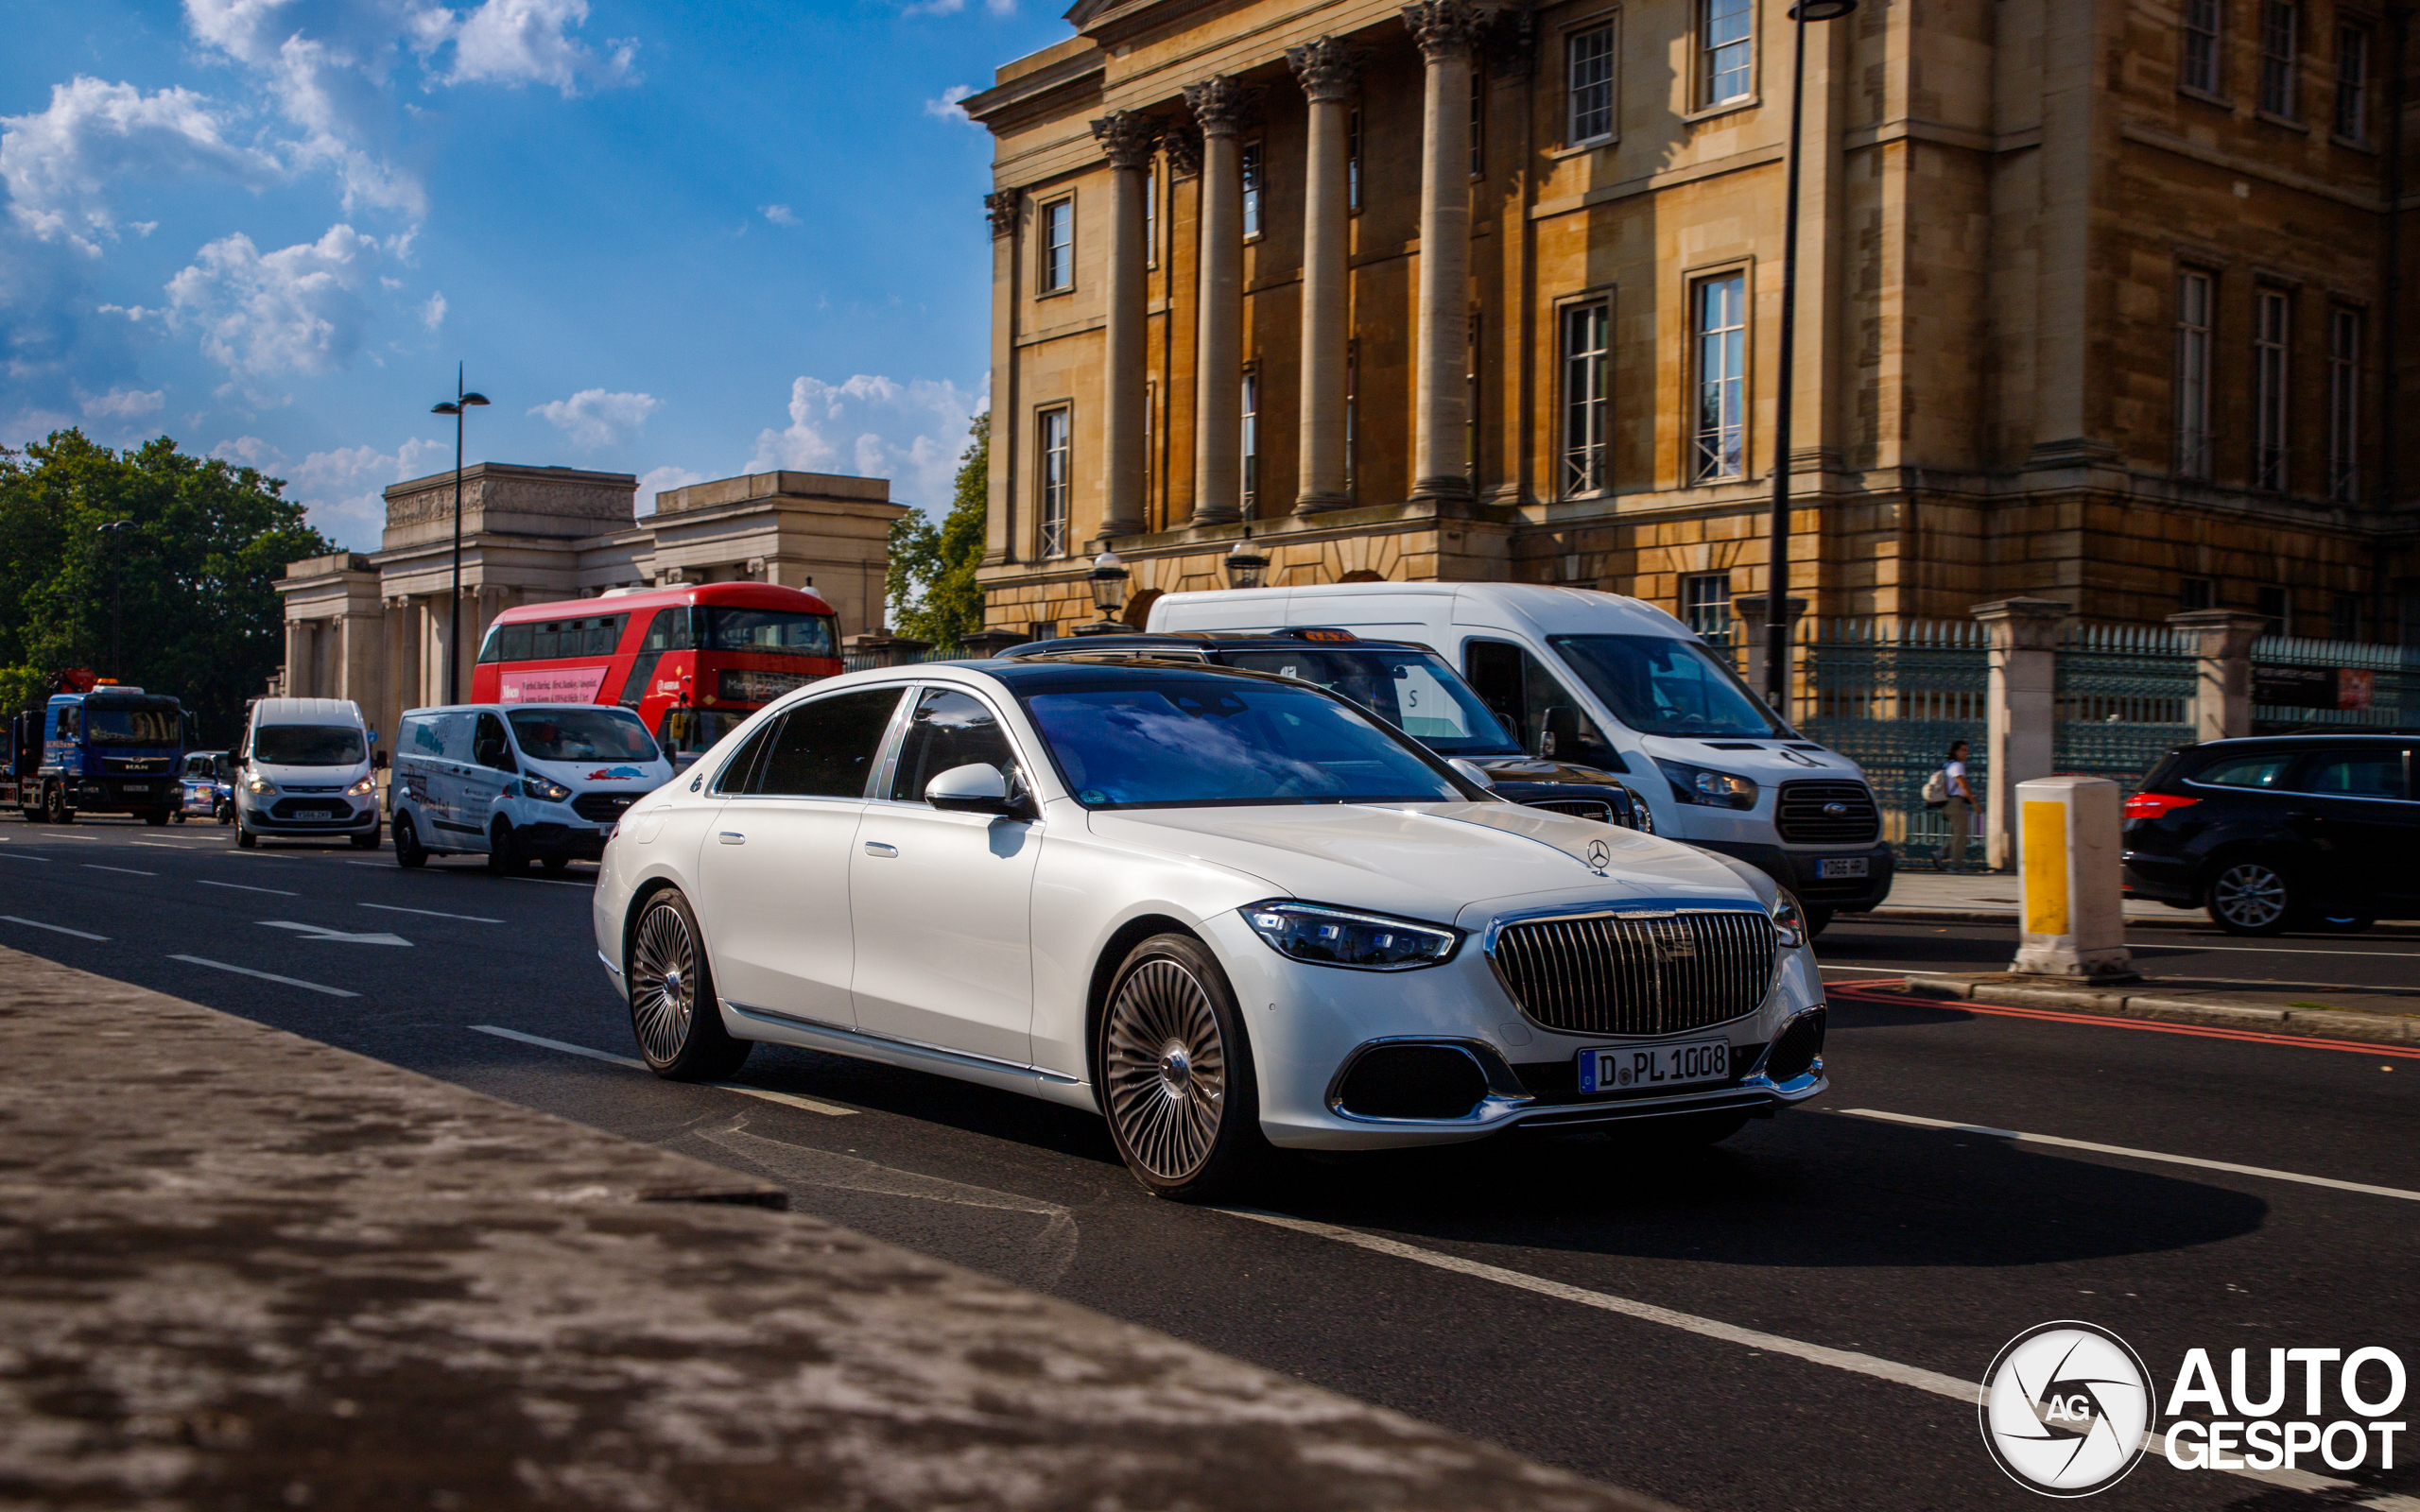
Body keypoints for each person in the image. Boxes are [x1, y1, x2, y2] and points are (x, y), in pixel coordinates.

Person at [1941, 740, 1976, 872]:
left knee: (1957, 834)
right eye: (1963, 750)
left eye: (1967, 750)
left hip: (1947, 803)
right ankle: (1955, 866)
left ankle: (1940, 854)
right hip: (1955, 802)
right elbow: (1963, 785)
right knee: (1960, 835)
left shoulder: (1947, 765)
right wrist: (1974, 803)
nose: (1966, 753)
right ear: (1956, 751)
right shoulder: (1957, 766)